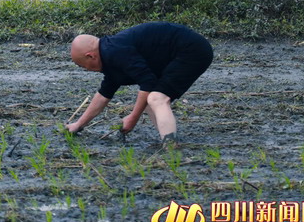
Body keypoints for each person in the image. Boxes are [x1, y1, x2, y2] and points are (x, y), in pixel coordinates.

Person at [66, 22, 213, 145]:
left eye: (82, 65)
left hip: (191, 50)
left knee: (157, 98)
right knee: (150, 101)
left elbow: (148, 83)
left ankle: (171, 148)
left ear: (90, 56)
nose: (86, 70)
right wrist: (79, 125)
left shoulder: (115, 52)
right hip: (182, 52)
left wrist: (133, 117)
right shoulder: (109, 54)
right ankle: (168, 138)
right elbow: (104, 94)